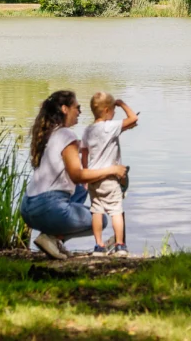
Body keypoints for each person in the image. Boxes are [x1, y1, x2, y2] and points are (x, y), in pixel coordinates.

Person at [20, 90, 128, 260]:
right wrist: (113, 170)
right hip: (47, 208)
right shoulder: (66, 134)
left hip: (27, 208)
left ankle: (52, 239)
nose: (80, 111)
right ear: (65, 109)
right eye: (77, 107)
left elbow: (78, 176)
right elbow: (77, 175)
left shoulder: (50, 133)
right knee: (101, 220)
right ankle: (54, 238)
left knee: (82, 189)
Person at [81, 92, 138, 257]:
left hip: (93, 177)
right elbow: (133, 118)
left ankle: (98, 246)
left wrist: (85, 175)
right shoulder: (111, 126)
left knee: (96, 211)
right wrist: (122, 104)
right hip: (110, 179)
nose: (114, 112)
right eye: (113, 109)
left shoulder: (87, 130)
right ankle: (120, 245)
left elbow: (84, 154)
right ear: (107, 110)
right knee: (116, 211)